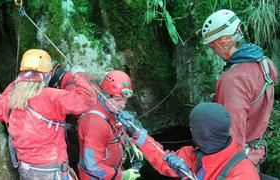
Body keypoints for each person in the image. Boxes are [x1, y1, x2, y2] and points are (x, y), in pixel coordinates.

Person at [0, 49, 96, 179]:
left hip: (26, 170)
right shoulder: (49, 97)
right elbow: (86, 100)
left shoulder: (10, 100)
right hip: (52, 170)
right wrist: (79, 75)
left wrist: (15, 86)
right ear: (46, 75)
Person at [201, 9, 278, 166]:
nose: (214, 53)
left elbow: (234, 132)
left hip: (239, 160)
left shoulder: (232, 80)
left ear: (223, 42)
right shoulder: (264, 62)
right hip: (257, 148)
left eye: (212, 47)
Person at [119, 102, 260, 179]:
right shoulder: (195, 154)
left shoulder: (243, 173)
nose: (190, 130)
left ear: (204, 135)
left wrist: (187, 177)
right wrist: (138, 132)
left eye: (193, 128)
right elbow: (163, 159)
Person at [77, 70, 143, 180]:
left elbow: (116, 131)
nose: (122, 105)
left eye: (125, 100)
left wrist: (129, 144)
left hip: (113, 169)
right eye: (118, 100)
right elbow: (92, 166)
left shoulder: (111, 110)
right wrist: (123, 176)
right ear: (105, 95)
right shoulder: (94, 123)